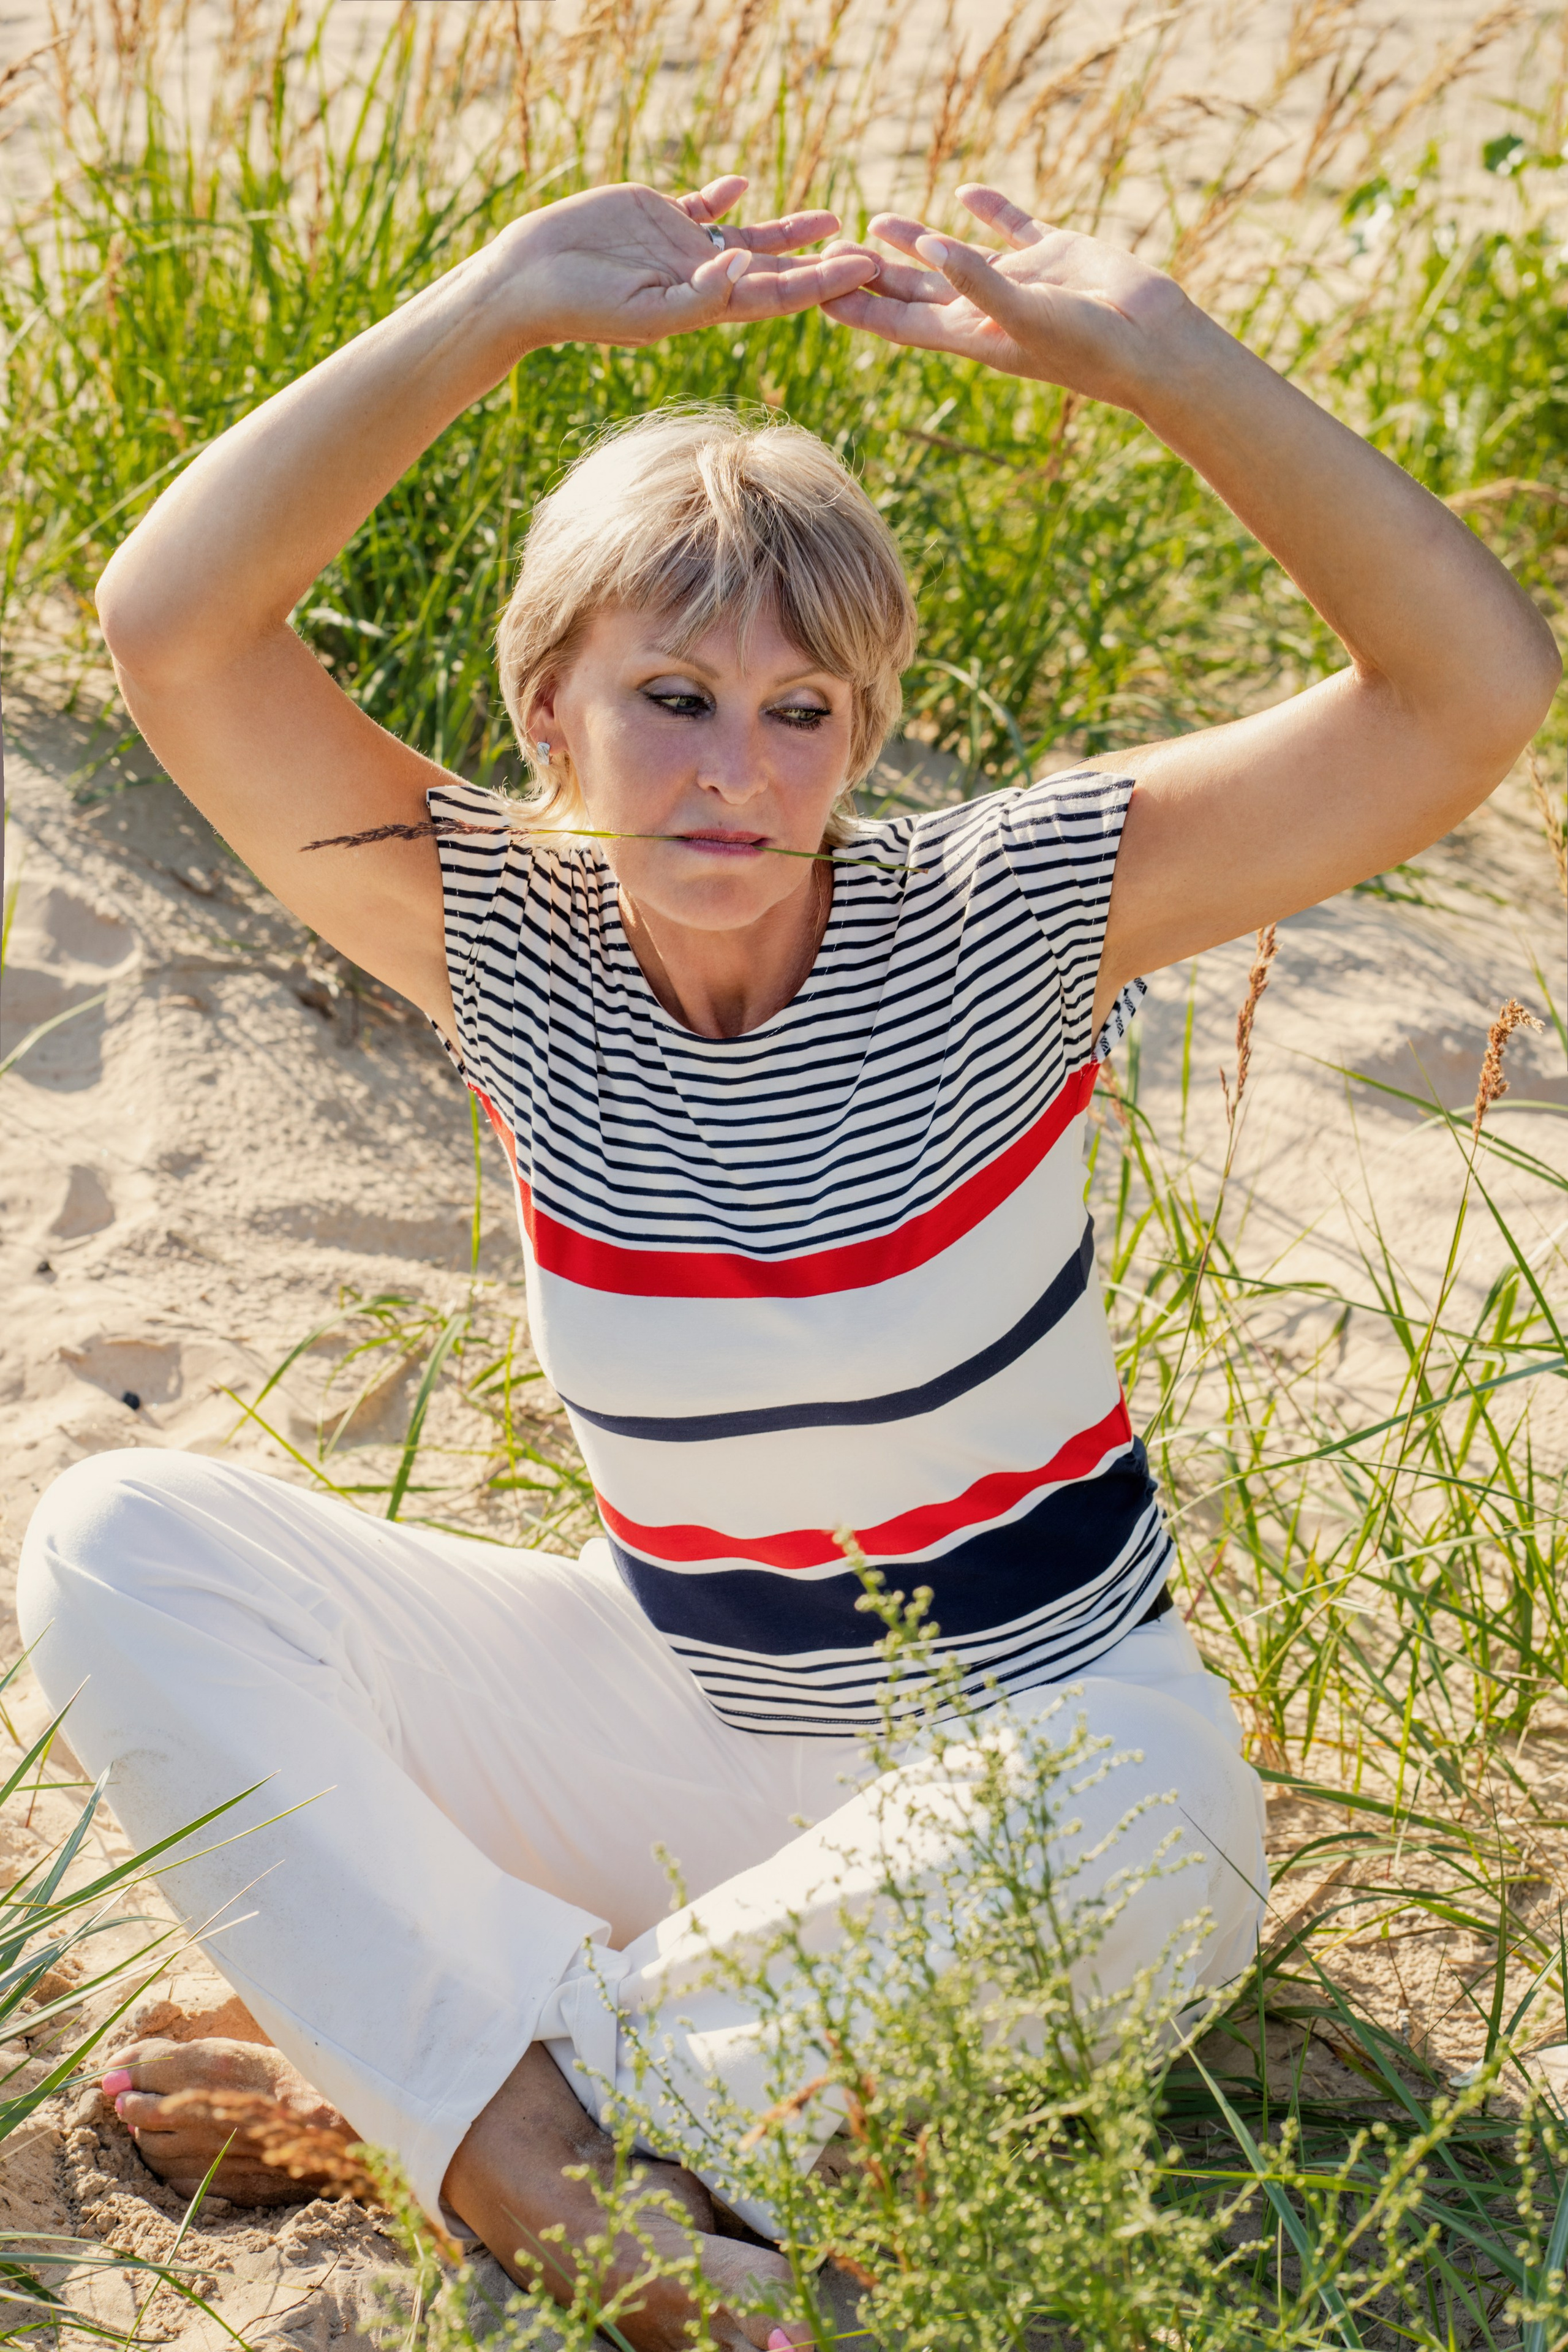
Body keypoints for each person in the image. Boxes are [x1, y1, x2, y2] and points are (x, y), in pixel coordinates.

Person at [17, 173, 1556, 2351]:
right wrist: (490, 312)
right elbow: (174, 626)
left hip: (1051, 1761)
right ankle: (568, 2160)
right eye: (671, 697)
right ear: (548, 716)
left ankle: (434, 2120)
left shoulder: (1004, 912)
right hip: (678, 1736)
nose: (741, 775)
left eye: (804, 709)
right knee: (122, 1538)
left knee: (1140, 1805)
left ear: (870, 730)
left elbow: (1466, 695)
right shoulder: (504, 939)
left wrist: (1161, 355)